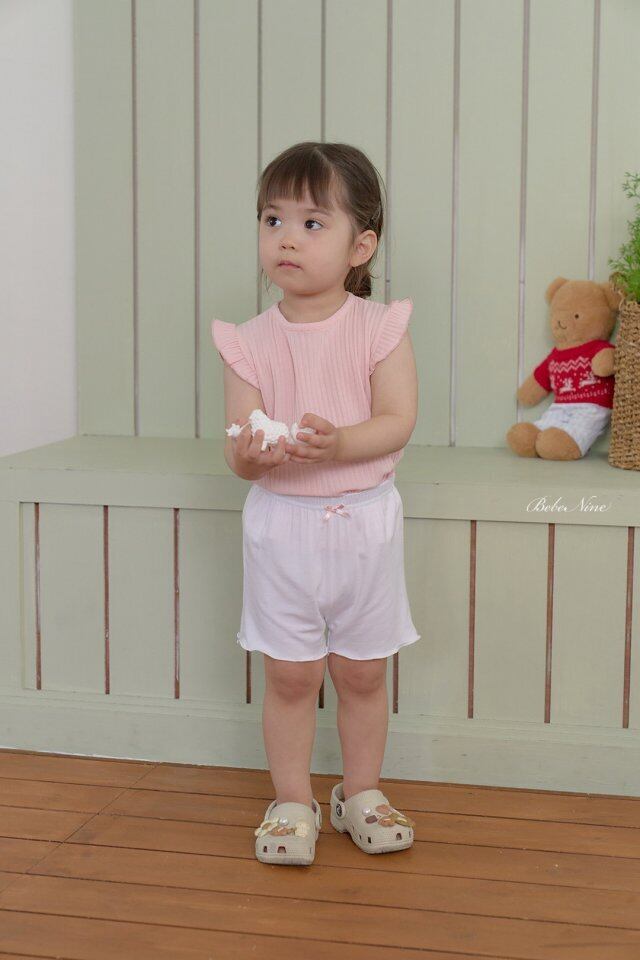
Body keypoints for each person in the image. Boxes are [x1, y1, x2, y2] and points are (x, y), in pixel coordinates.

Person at [212, 141, 421, 865]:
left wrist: (340, 445)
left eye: (311, 223)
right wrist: (253, 453)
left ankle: (359, 791)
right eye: (272, 220)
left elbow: (398, 420)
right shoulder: (248, 342)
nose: (286, 239)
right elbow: (238, 449)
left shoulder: (379, 329)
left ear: (361, 246)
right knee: (291, 674)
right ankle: (293, 798)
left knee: (362, 670)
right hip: (283, 529)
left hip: (365, 524)